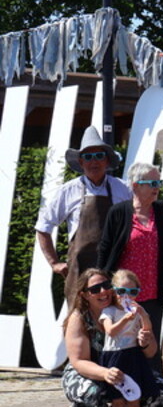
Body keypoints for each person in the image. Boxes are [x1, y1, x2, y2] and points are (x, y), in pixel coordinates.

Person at [62, 268, 163, 407]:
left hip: (124, 367)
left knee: (161, 391)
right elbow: (79, 361)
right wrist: (105, 373)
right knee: (92, 394)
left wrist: (145, 341)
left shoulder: (129, 310)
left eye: (106, 285)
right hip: (89, 372)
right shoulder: (79, 318)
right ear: (84, 295)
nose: (103, 291)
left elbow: (150, 352)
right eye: (95, 289)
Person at [36, 125, 131, 303]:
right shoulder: (68, 191)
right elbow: (43, 227)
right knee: (79, 316)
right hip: (79, 273)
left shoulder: (123, 189)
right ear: (81, 163)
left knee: (115, 316)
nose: (93, 161)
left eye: (99, 156)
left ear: (107, 161)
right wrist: (54, 263)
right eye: (88, 157)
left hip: (115, 268)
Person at [97, 162, 163, 374]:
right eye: (151, 183)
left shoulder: (162, 211)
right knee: (122, 345)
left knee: (149, 344)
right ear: (135, 186)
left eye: (158, 182)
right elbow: (105, 249)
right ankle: (118, 388)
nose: (157, 188)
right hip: (123, 295)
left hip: (152, 293)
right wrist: (102, 285)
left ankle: (151, 389)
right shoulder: (118, 212)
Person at [98, 269, 159, 407]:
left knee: (134, 403)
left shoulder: (138, 311)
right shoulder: (109, 311)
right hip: (114, 358)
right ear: (114, 291)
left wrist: (143, 318)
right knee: (118, 403)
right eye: (122, 291)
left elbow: (147, 329)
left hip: (133, 357)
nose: (127, 296)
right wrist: (126, 318)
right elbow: (110, 331)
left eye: (133, 292)